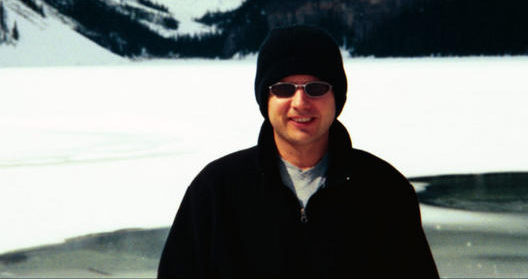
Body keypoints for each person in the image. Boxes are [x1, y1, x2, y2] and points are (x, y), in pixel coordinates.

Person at [158, 25, 439, 278]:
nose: (300, 102)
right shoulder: (216, 191)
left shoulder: (384, 191)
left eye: (316, 88)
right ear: (265, 99)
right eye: (284, 88)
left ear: (337, 97)